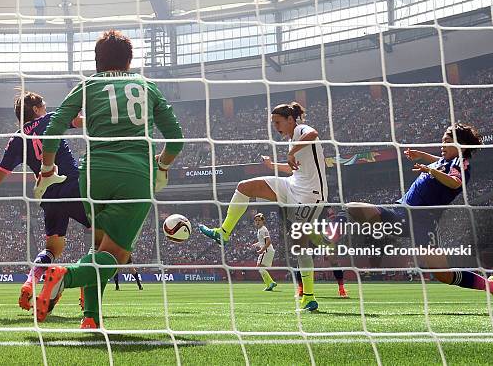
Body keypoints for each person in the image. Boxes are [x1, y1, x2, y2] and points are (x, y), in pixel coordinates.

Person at [33, 30, 183, 328]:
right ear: (129, 61)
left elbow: (53, 129)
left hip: (93, 176)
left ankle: (91, 317)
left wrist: (47, 169)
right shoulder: (147, 86)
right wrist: (162, 167)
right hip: (133, 175)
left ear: (97, 61)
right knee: (116, 255)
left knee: (98, 248)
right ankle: (65, 276)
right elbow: (176, 139)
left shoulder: (87, 85)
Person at [334, 123, 493, 310]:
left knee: (443, 275)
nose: (442, 145)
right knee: (351, 208)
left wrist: (430, 170)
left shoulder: (461, 163)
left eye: (447, 141)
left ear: (462, 146)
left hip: (424, 221)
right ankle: (329, 238)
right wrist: (423, 156)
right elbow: (440, 161)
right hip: (400, 211)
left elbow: (455, 182)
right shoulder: (446, 162)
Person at [199, 102, 326, 311]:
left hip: (311, 195)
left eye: (278, 122)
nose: (276, 126)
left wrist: (292, 151)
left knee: (300, 244)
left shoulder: (301, 130)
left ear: (290, 120)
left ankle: (309, 297)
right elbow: (294, 169)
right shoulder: (293, 139)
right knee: (244, 187)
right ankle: (224, 232)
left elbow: (313, 133)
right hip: (293, 185)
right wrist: (272, 166)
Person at [0, 90, 93, 311]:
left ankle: (29, 283)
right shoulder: (50, 119)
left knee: (53, 248)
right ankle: (85, 292)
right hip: (71, 185)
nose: (46, 107)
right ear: (36, 110)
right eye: (43, 104)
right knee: (103, 236)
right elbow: (80, 121)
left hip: (48, 195)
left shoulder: (17, 139)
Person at [251, 213, 277, 291]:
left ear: (263, 221)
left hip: (266, 251)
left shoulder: (263, 229)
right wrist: (256, 244)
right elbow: (263, 242)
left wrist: (261, 250)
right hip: (268, 250)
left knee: (259, 267)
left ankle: (271, 283)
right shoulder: (260, 230)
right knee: (260, 268)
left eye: (259, 220)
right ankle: (269, 285)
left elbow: (268, 241)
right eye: (256, 220)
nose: (257, 222)